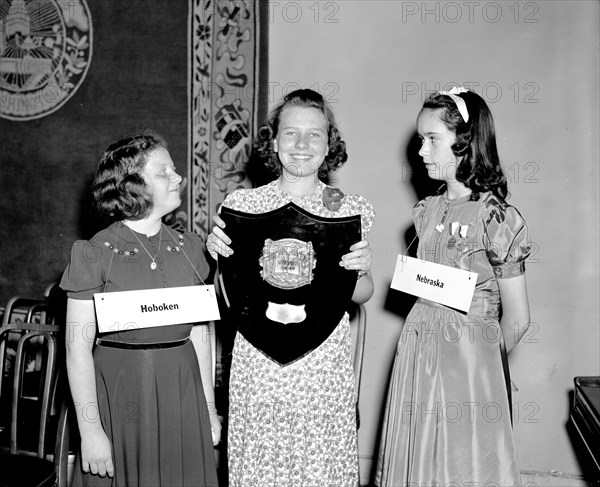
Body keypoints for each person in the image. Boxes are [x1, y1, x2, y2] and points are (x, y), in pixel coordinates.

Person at [207, 88, 375, 486]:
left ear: (329, 142)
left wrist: (361, 269)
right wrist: (215, 261)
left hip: (321, 365)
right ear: (273, 140)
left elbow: (362, 293)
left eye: (314, 134)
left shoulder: (348, 209)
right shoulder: (242, 206)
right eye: (290, 133)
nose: (302, 145)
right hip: (258, 362)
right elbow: (226, 294)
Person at [375, 88, 532, 486]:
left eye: (432, 140)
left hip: (468, 366)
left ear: (464, 144)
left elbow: (518, 318)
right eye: (420, 140)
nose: (422, 151)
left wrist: (480, 368)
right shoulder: (427, 211)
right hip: (417, 359)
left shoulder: (496, 216)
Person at [60, 132, 220, 487]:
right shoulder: (94, 253)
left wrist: (208, 409)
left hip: (181, 391)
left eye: (174, 169)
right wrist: (90, 432)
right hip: (122, 397)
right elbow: (77, 349)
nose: (178, 177)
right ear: (133, 186)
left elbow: (200, 334)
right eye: (164, 172)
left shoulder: (191, 247)